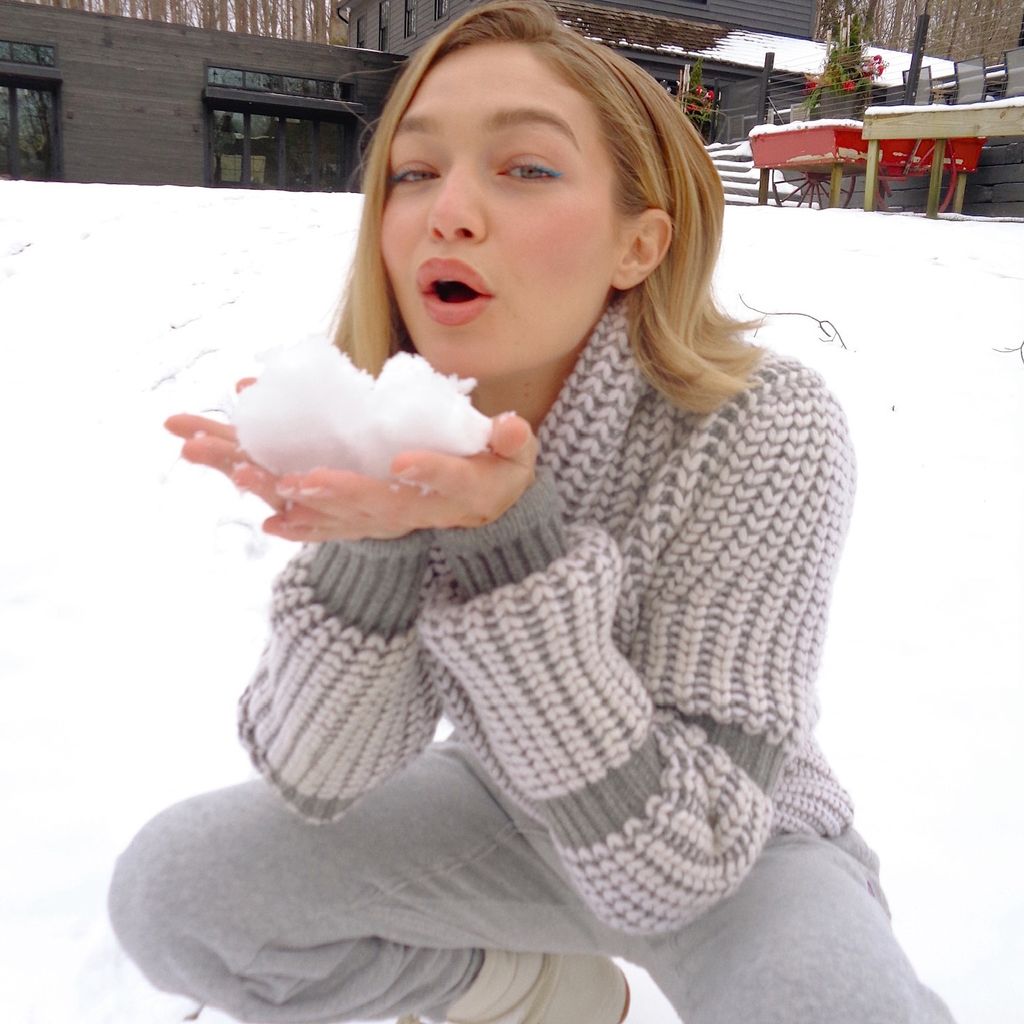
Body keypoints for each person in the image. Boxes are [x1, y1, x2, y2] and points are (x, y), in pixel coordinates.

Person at [108, 2, 957, 1022]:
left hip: (733, 836)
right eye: (415, 172)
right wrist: (373, 550)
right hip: (503, 810)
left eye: (526, 168)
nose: (447, 211)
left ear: (638, 244)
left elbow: (682, 868)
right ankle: (532, 990)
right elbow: (317, 772)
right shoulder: (394, 429)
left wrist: (508, 543)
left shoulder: (761, 422)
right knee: (178, 892)